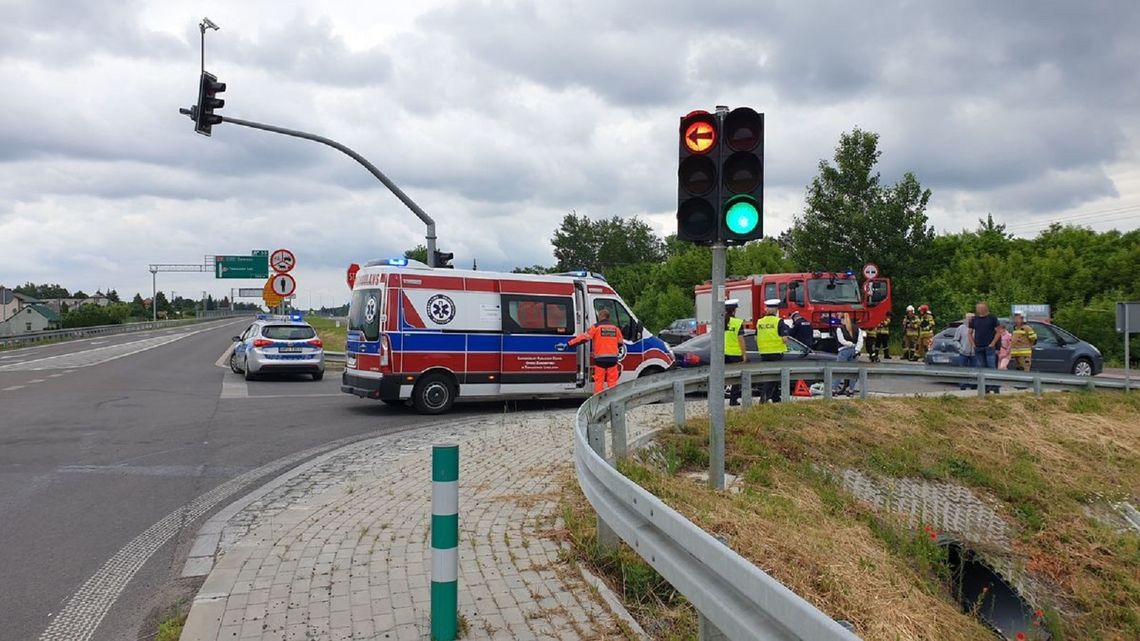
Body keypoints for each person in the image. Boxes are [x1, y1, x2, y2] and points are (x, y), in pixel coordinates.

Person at [564, 308, 624, 394]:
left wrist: (570, 343)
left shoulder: (596, 327)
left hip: (600, 359)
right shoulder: (615, 328)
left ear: (601, 316)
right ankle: (612, 400)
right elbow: (620, 343)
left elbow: (584, 338)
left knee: (599, 382)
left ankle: (598, 401)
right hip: (612, 359)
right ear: (608, 317)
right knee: (612, 382)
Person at [755, 298, 789, 403]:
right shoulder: (779, 321)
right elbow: (785, 338)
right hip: (776, 352)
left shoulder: (760, 322)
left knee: (769, 375)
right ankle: (764, 398)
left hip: (763, 353)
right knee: (773, 376)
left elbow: (755, 338)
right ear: (776, 310)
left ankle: (775, 397)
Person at [968, 302, 1001, 393]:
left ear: (985, 308)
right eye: (977, 308)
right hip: (978, 347)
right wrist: (973, 344)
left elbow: (998, 332)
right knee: (982, 368)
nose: (979, 309)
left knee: (991, 367)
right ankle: (985, 387)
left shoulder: (992, 318)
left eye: (981, 308)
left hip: (989, 347)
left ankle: (994, 387)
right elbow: (969, 333)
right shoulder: (974, 319)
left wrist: (993, 343)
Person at [724, 299, 748, 405]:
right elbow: (741, 340)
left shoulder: (720, 322)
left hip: (722, 354)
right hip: (735, 354)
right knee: (737, 378)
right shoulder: (738, 323)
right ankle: (733, 400)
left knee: (722, 377)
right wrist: (744, 354)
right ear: (734, 311)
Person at [833, 313, 863, 396]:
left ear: (842, 319)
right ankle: (851, 390)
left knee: (838, 371)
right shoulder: (857, 329)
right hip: (854, 351)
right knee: (852, 372)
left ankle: (834, 389)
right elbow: (860, 341)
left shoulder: (840, 328)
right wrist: (857, 349)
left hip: (844, 350)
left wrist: (849, 344)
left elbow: (841, 340)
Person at [953, 312, 975, 390]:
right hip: (963, 352)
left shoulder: (977, 327)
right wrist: (960, 347)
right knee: (962, 369)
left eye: (971, 318)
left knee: (974, 369)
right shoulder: (961, 328)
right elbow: (955, 340)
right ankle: (963, 385)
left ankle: (973, 385)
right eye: (968, 318)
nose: (969, 319)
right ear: (965, 319)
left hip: (974, 353)